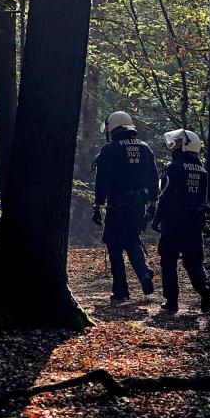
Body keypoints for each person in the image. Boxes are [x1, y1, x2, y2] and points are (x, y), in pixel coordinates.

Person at [93, 111, 158, 301]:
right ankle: (144, 273)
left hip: (117, 203)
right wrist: (153, 203)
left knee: (114, 245)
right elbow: (153, 178)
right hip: (138, 203)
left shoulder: (109, 149)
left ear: (112, 127)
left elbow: (102, 180)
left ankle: (121, 290)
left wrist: (98, 204)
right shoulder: (145, 148)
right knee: (132, 238)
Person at [152, 129, 210, 314]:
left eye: (177, 143)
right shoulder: (202, 171)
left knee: (168, 260)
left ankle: (171, 301)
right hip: (194, 222)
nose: (174, 146)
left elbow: (164, 197)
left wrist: (156, 219)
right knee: (194, 261)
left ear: (186, 146)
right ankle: (205, 290)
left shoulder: (173, 168)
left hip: (174, 221)